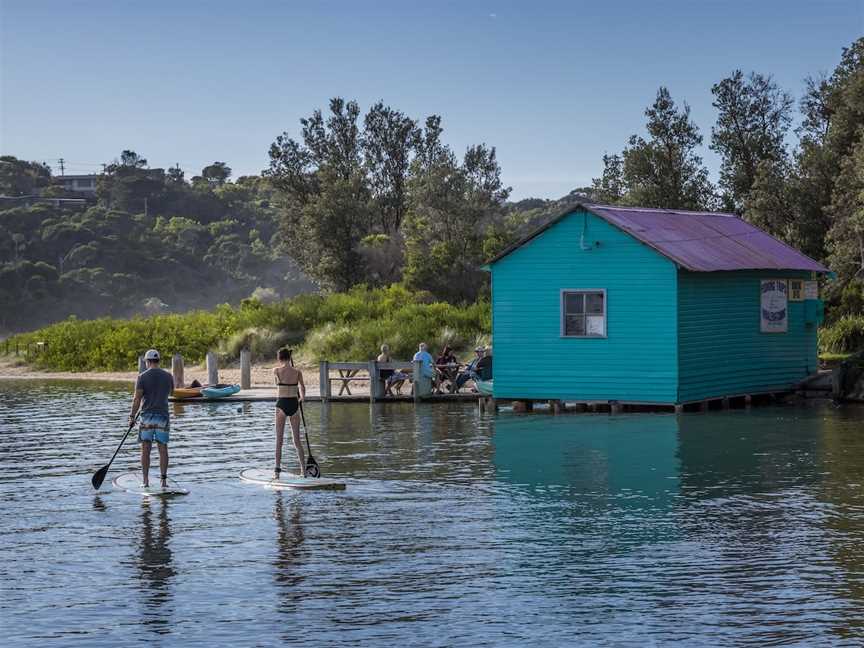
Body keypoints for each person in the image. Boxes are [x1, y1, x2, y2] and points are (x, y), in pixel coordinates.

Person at [128, 349, 174, 489]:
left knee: (145, 449)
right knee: (163, 449)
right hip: (163, 417)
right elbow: (171, 392)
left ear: (147, 362)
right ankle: (163, 481)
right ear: (158, 360)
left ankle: (146, 481)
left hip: (147, 416)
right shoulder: (168, 376)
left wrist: (132, 416)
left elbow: (137, 399)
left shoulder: (142, 377)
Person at [273, 347, 306, 479]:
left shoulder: (276, 371)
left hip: (281, 405)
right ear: (290, 357)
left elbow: (277, 383)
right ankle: (303, 471)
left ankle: (277, 472)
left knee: (279, 440)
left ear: (279, 358)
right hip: (294, 404)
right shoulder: (298, 372)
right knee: (297, 440)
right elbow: (302, 388)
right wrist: (302, 398)